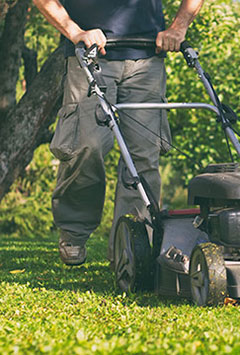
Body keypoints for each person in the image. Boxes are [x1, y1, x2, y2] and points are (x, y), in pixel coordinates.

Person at [33, 0, 205, 265]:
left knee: (144, 157)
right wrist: (75, 31)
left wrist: (178, 28)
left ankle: (131, 251)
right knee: (86, 146)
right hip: (90, 55)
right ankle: (74, 231)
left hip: (147, 58)